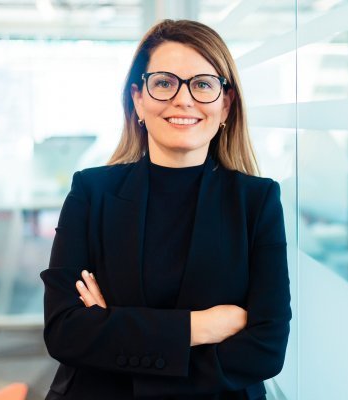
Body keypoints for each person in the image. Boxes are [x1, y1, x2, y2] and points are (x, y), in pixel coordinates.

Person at [40, 19, 291, 400]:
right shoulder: (91, 192)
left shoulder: (256, 201)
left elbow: (266, 349)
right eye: (164, 83)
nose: (183, 99)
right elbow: (65, 331)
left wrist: (114, 332)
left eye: (203, 84)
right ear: (138, 99)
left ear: (226, 105)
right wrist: (200, 327)